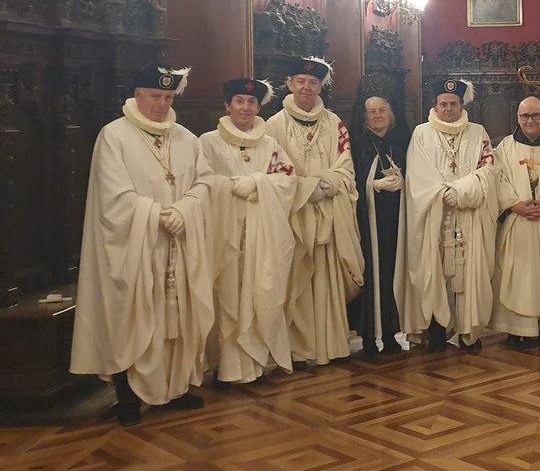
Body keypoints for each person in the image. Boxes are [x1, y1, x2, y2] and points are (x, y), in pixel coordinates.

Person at [70, 65, 213, 426]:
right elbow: (113, 195)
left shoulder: (185, 138)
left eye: (167, 97)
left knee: (176, 318)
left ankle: (173, 389)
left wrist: (186, 208)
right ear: (137, 96)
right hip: (135, 246)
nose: (162, 104)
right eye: (155, 96)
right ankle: (128, 396)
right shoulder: (114, 135)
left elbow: (205, 183)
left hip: (177, 244)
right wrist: (156, 215)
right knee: (132, 316)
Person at [263, 57, 364, 369]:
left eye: (313, 83)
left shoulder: (335, 124)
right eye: (300, 82)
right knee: (298, 281)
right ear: (290, 84)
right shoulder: (273, 126)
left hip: (331, 212)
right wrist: (307, 189)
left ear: (321, 87)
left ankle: (332, 344)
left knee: (329, 278)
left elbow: (345, 167)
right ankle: (300, 350)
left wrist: (325, 187)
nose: (307, 88)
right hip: (295, 216)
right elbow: (274, 171)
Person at [198, 78, 297, 387]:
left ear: (258, 107)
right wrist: (227, 186)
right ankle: (226, 367)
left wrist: (257, 182)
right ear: (227, 105)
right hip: (222, 233)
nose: (245, 108)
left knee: (258, 292)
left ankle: (254, 364)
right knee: (225, 295)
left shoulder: (269, 143)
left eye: (252, 103)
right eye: (239, 101)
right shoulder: (208, 141)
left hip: (259, 233)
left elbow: (288, 179)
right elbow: (200, 180)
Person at [406, 79, 498, 351]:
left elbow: (489, 170)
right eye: (443, 104)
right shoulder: (422, 133)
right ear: (434, 105)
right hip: (435, 216)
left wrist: (460, 192)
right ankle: (437, 331)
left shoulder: (478, 132)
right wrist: (441, 195)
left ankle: (469, 331)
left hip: (469, 216)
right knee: (434, 271)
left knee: (470, 272)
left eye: (453, 104)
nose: (448, 109)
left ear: (462, 105)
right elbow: (416, 175)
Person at [492, 96, 540, 346]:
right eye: (525, 116)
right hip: (517, 221)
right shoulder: (505, 148)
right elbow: (496, 180)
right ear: (518, 118)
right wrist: (515, 204)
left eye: (535, 115)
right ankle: (518, 329)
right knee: (518, 275)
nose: (530, 120)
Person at [352, 96, 410, 357]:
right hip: (368, 224)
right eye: (371, 112)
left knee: (391, 277)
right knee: (371, 276)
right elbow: (352, 181)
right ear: (364, 118)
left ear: (391, 114)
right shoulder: (359, 146)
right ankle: (368, 337)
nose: (377, 116)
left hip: (396, 223)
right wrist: (372, 185)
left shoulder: (400, 144)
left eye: (382, 111)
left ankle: (389, 334)